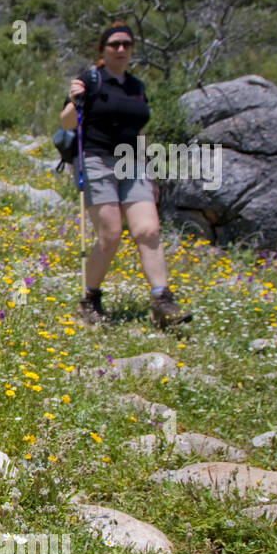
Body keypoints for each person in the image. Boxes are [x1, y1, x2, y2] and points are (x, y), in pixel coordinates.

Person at [60, 21, 191, 330]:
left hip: (132, 161)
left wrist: (150, 172)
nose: (121, 49)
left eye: (127, 44)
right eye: (114, 44)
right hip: (95, 158)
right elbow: (67, 124)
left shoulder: (136, 87)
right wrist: (74, 98)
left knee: (148, 231)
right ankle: (89, 298)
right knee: (110, 234)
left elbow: (138, 130)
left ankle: (162, 301)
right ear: (103, 49)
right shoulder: (90, 80)